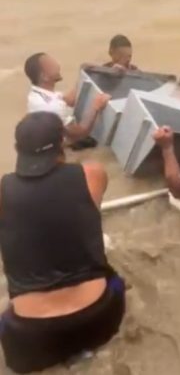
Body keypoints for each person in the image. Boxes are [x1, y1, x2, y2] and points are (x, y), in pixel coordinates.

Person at [0, 112, 125, 373]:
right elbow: (86, 221)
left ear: (16, 149)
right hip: (99, 313)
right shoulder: (93, 174)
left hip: (29, 334)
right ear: (62, 143)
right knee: (117, 282)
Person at [24, 52, 110, 144]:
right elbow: (79, 134)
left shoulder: (36, 93)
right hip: (56, 150)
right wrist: (96, 107)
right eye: (52, 65)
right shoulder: (52, 106)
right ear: (44, 77)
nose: (58, 65)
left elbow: (69, 100)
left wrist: (83, 75)